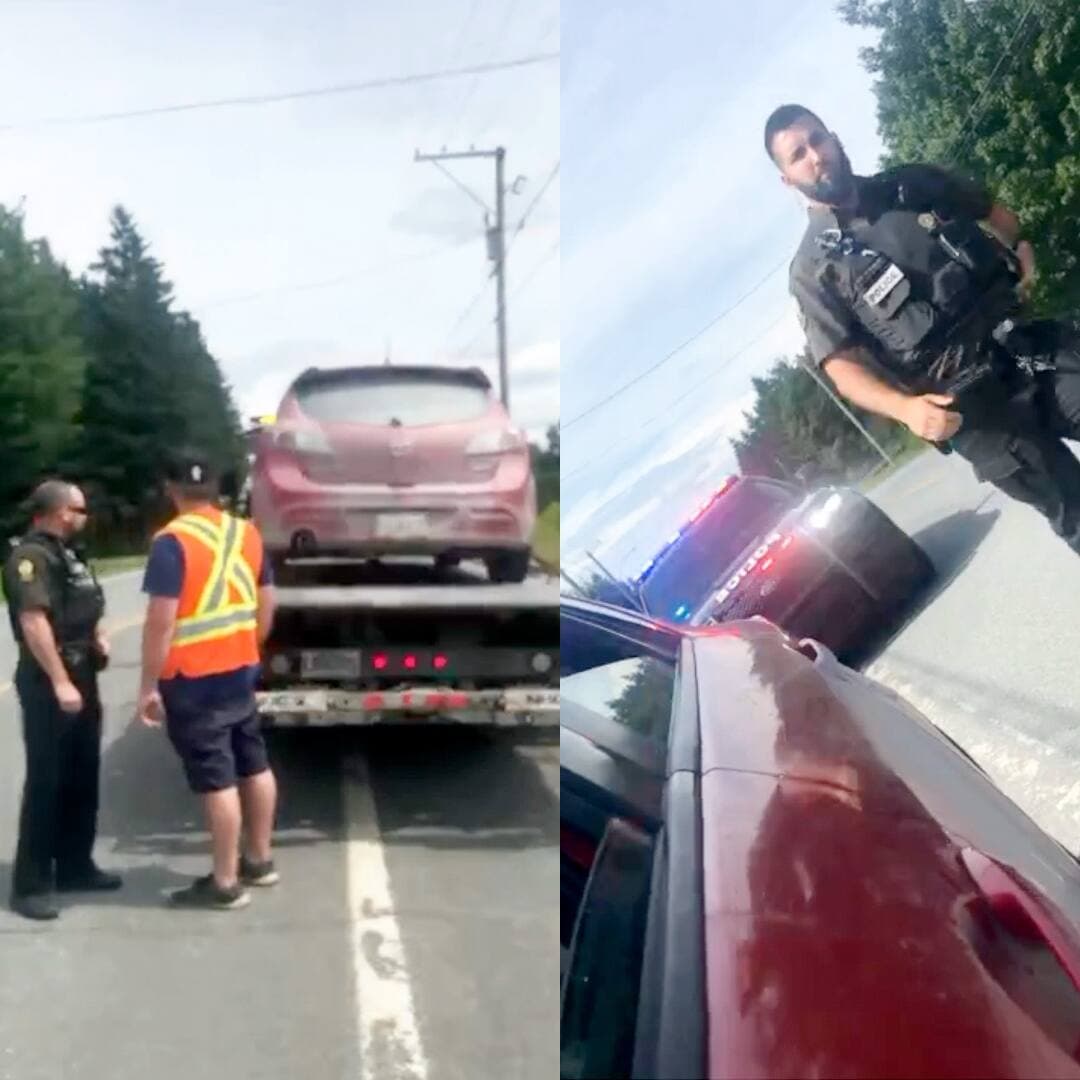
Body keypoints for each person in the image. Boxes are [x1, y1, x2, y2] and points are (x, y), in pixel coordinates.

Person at [766, 103, 1080, 553]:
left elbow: (992, 210)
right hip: (976, 413)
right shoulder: (813, 270)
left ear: (833, 138)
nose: (815, 156)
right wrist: (906, 410)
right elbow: (841, 364)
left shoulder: (911, 184)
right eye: (798, 154)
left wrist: (1023, 249)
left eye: (817, 140)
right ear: (787, 178)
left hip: (1032, 348)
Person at [135, 449, 279, 911]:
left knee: (217, 779)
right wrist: (252, 643)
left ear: (171, 489)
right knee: (253, 764)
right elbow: (267, 598)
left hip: (194, 677)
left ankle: (224, 883)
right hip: (240, 667)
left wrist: (148, 685)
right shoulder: (246, 532)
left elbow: (162, 619)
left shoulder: (171, 541)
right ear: (215, 489)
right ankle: (259, 860)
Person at [3, 480, 121, 921]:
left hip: (83, 673)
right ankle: (30, 884)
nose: (84, 516)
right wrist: (59, 681)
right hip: (50, 680)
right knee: (47, 780)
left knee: (82, 774)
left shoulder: (71, 555)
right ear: (58, 511)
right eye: (79, 509)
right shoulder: (30, 558)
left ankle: (75, 865)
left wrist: (99, 635)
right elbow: (34, 622)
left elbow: (86, 605)